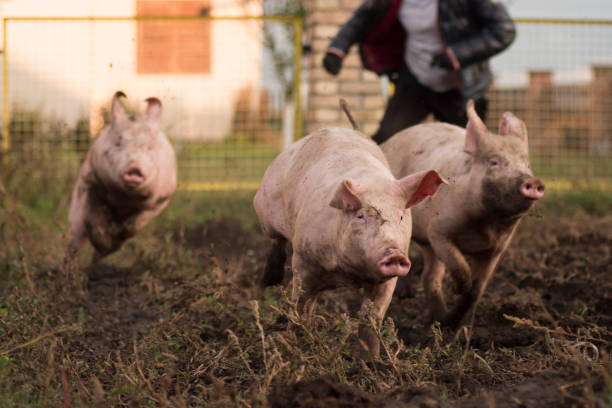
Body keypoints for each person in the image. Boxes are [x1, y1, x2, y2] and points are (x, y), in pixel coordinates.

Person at [322, 0, 516, 144]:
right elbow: (362, 18)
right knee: (386, 141)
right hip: (415, 80)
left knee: (470, 151)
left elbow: (504, 30)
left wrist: (456, 55)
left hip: (461, 87)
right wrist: (337, 50)